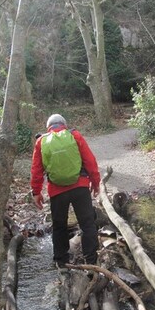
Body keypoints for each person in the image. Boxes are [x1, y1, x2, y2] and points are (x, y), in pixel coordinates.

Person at [30, 114, 100, 269]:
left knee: (59, 226)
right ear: (64, 125)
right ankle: (91, 262)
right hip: (80, 187)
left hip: (56, 191)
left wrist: (36, 192)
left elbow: (36, 170)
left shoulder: (41, 141)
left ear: (48, 127)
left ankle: (61, 263)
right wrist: (96, 183)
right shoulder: (74, 135)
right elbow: (90, 161)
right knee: (87, 224)